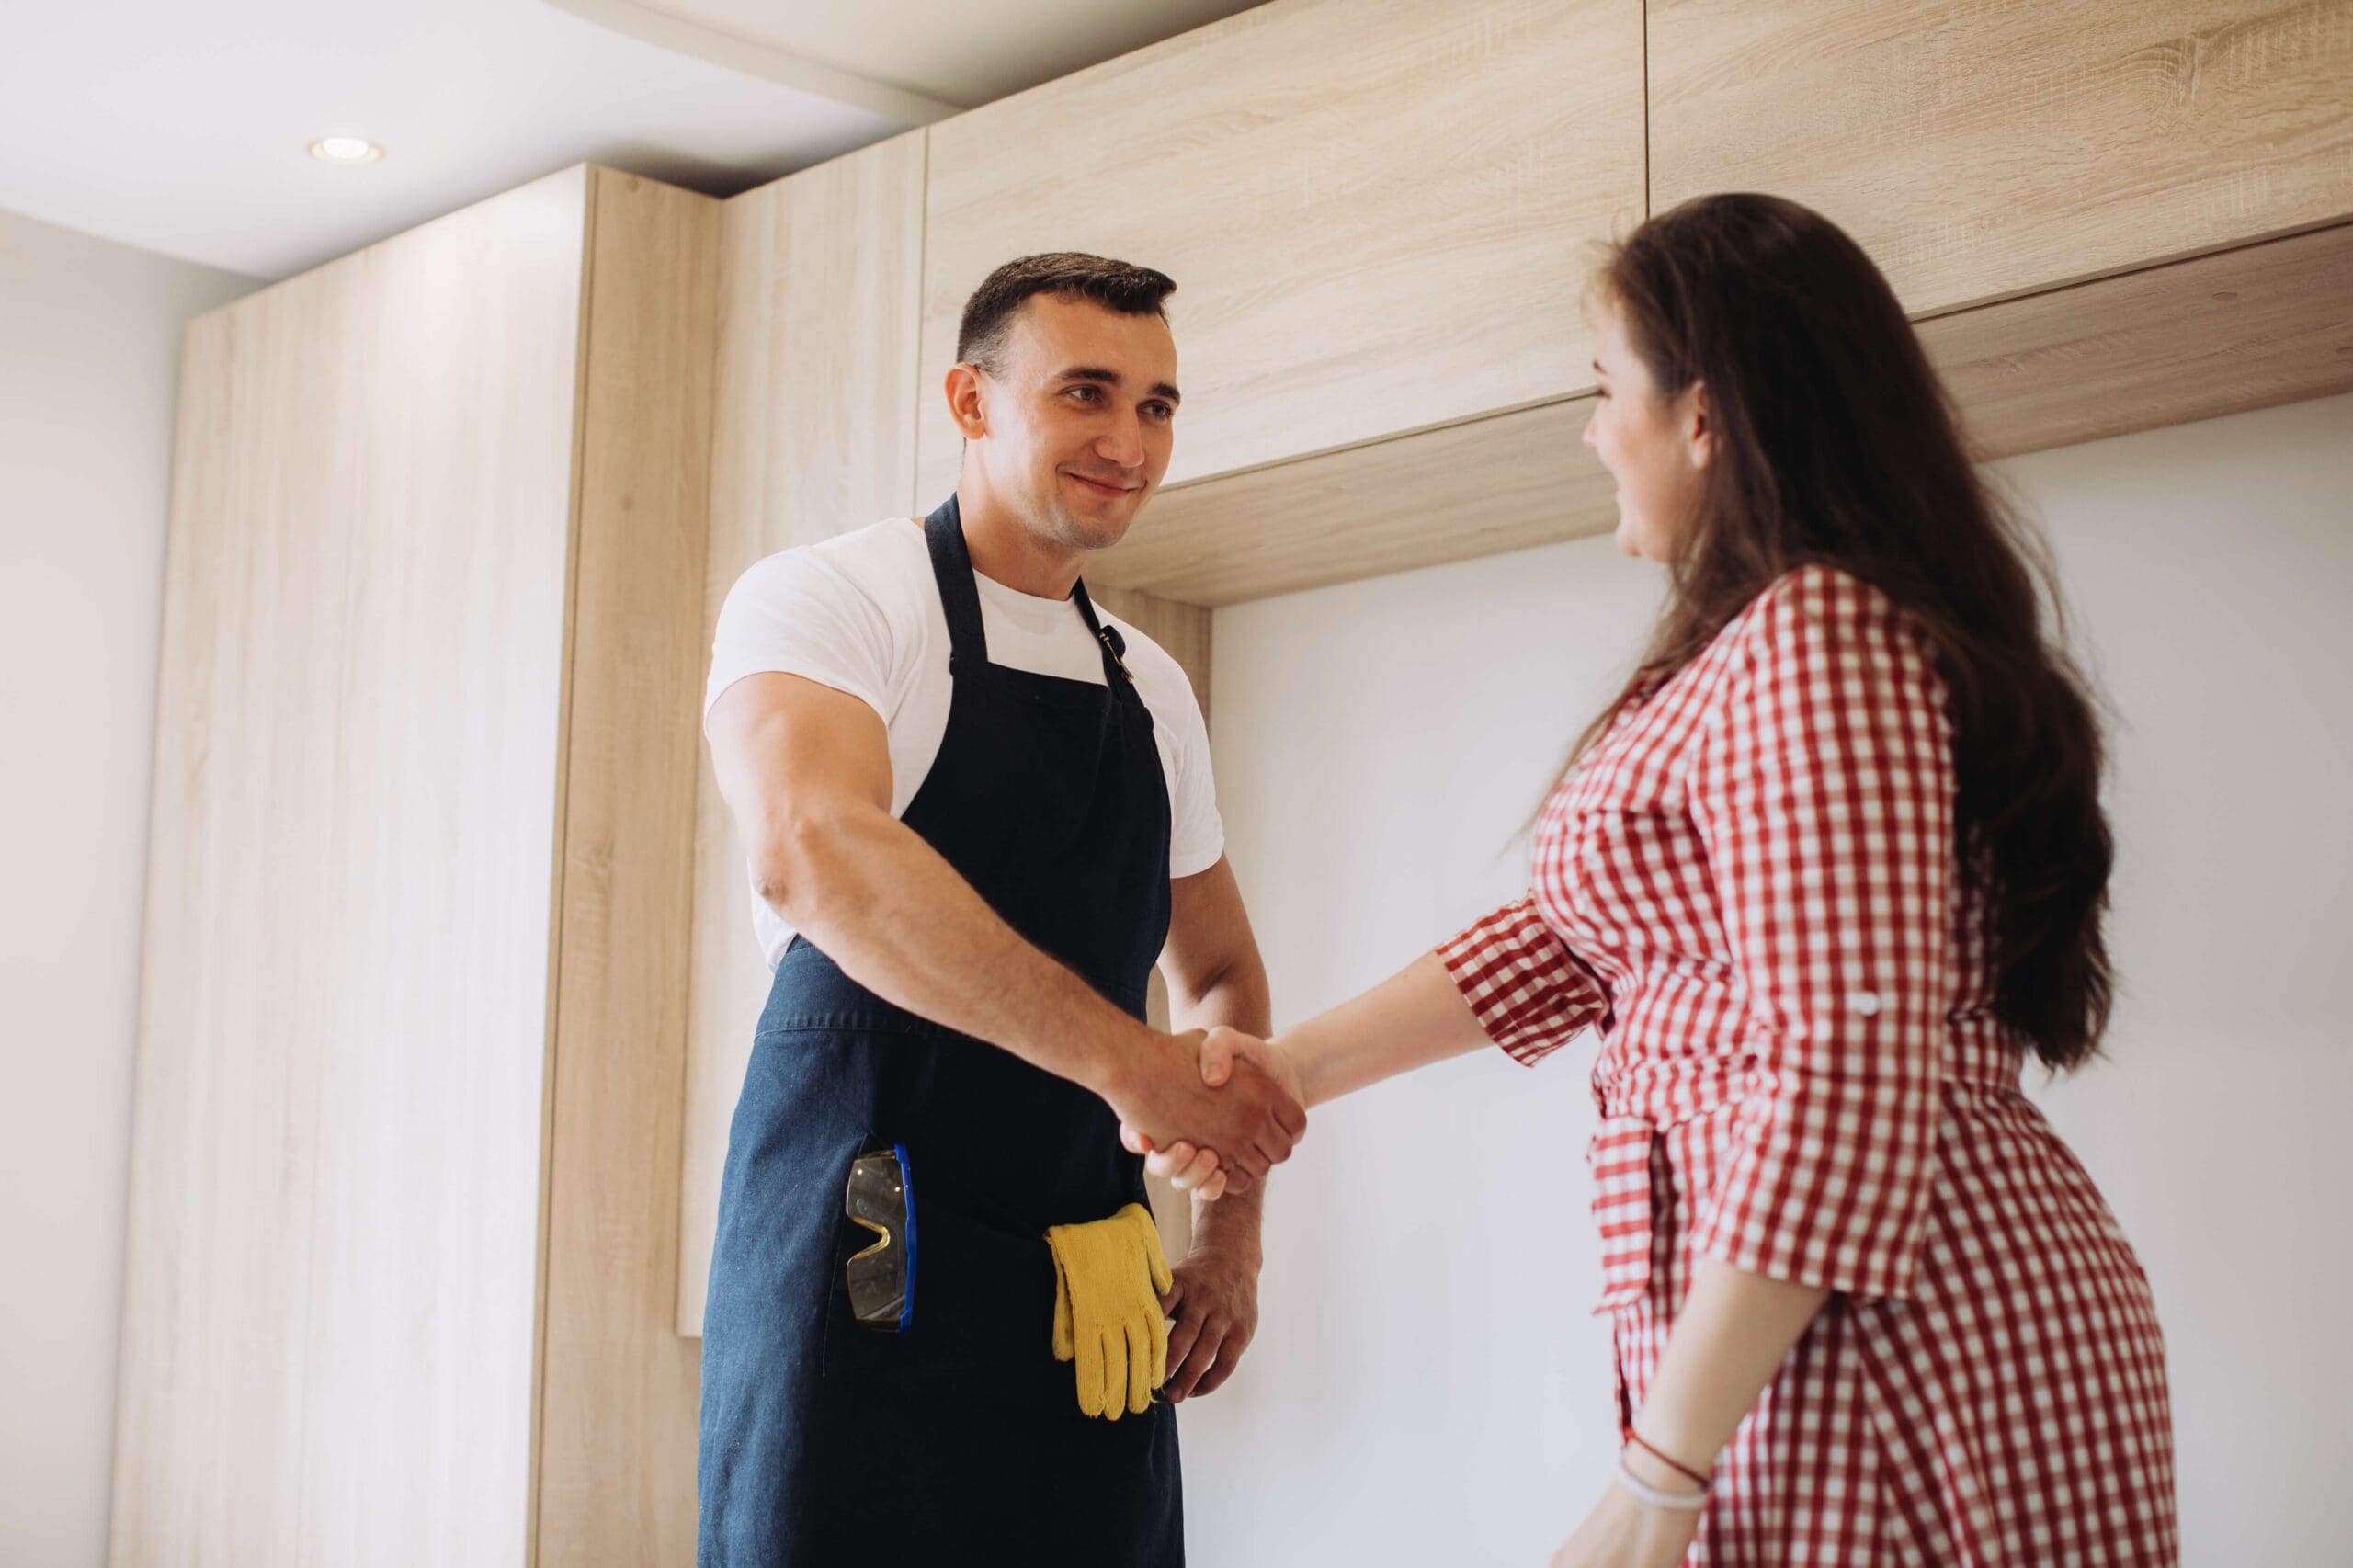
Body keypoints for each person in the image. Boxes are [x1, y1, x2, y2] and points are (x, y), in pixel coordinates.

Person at [1133, 194, 2178, 1565]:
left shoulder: (1818, 640)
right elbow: (1573, 939)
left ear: (1704, 414)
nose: (1588, 432)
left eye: (1601, 386)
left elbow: (1848, 1063)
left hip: (1896, 1325)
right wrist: (1278, 1073)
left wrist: (1661, 1470)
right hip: (1803, 1311)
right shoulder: (1754, 648)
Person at [696, 252, 1304, 1567]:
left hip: (1089, 1307)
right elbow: (814, 849)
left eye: (1158, 405)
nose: (1128, 440)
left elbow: (1222, 975)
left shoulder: (1150, 684)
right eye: (1087, 391)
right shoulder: (834, 600)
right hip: (854, 1287)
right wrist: (1131, 1064)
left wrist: (1231, 1232)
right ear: (969, 400)